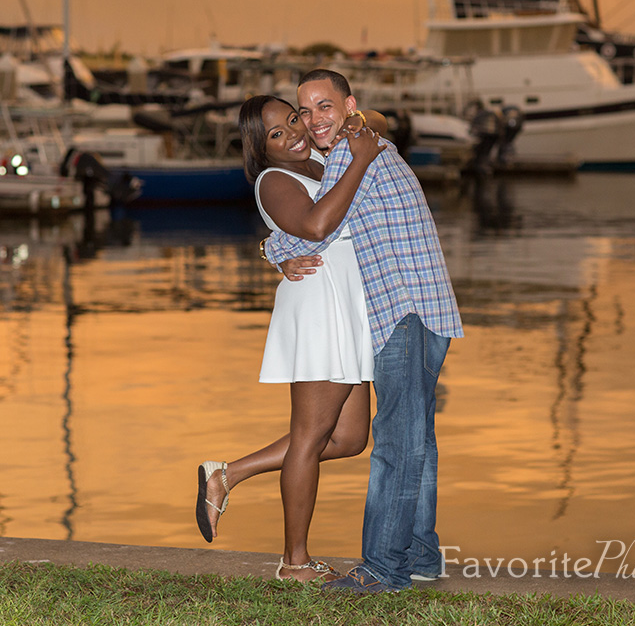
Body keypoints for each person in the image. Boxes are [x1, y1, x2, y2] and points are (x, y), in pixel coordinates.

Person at [264, 68, 463, 593]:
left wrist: (271, 250)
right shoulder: (362, 144)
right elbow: (336, 227)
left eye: (323, 107)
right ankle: (420, 554)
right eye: (304, 111)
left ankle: (384, 569)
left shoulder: (356, 151)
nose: (312, 121)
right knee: (417, 439)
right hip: (423, 311)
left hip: (403, 312)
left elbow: (318, 229)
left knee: (397, 445)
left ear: (348, 106)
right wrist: (278, 252)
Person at [196, 95, 385, 583]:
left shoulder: (325, 156)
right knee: (309, 436)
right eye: (276, 133)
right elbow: (315, 224)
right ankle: (294, 563)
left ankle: (227, 475)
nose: (295, 132)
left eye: (294, 119)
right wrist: (359, 161)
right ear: (261, 148)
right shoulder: (274, 180)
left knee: (348, 439)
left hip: (347, 303)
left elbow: (380, 121)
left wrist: (358, 128)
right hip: (321, 306)